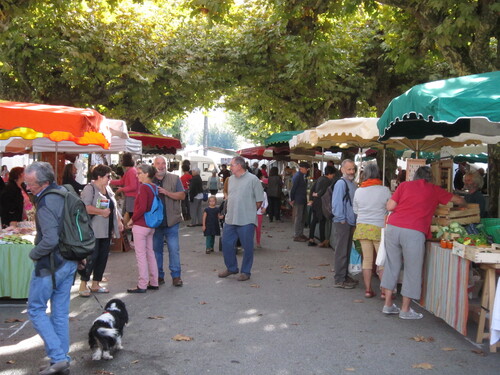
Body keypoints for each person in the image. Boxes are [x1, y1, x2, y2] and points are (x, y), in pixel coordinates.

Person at [381, 166, 466, 319]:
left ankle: (388, 305)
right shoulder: (434, 189)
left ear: (415, 176)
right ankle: (405, 310)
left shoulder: (404, 185)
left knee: (391, 264)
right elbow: (458, 199)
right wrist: (465, 203)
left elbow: (390, 206)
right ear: (430, 178)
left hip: (393, 228)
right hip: (414, 230)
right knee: (412, 269)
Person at [24, 162, 77, 375]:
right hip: (70, 260)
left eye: (31, 184)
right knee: (60, 313)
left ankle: (57, 356)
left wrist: (33, 254)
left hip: (51, 264)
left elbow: (49, 240)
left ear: (44, 182)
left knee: (36, 309)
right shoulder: (65, 192)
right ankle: (61, 359)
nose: (28, 188)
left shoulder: (45, 202)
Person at [78, 165, 123, 297]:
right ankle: (83, 284)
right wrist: (101, 212)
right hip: (94, 229)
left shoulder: (107, 188)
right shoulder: (89, 189)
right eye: (108, 176)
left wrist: (119, 221)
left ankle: (96, 283)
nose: (110, 179)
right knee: (92, 257)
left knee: (103, 257)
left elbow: (113, 206)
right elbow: (85, 207)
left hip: (107, 229)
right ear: (99, 177)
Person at [218, 156, 264, 281]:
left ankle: (246, 271)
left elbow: (260, 200)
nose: (230, 167)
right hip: (230, 219)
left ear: (239, 165)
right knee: (226, 244)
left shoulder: (253, 179)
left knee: (247, 247)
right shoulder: (230, 179)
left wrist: (249, 211)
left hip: (246, 220)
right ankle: (231, 268)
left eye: (232, 165)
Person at [352, 163, 391, 298]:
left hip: (362, 227)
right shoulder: (384, 190)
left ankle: (368, 290)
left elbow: (355, 210)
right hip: (379, 227)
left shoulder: (359, 191)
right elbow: (389, 208)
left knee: (367, 260)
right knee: (381, 260)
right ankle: (384, 291)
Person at [152, 156, 186, 287]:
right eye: (158, 163)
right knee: (156, 250)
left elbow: (182, 195)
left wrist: (167, 193)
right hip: (155, 222)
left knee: (173, 249)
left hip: (172, 220)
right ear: (154, 165)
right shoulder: (149, 180)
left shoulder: (174, 178)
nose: (161, 166)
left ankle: (176, 276)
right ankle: (158, 276)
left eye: (163, 163)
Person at [126, 164, 159, 293]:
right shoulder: (154, 187)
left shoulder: (144, 187)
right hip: (151, 224)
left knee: (141, 255)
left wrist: (132, 219)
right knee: (150, 253)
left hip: (141, 224)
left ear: (146, 174)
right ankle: (154, 281)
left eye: (139, 173)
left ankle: (142, 284)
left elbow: (142, 207)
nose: (137, 175)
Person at [332, 159, 358, 289]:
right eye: (349, 169)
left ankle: (344, 275)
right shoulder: (340, 183)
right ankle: (339, 278)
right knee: (341, 251)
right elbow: (336, 203)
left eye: (353, 169)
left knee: (346, 250)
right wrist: (341, 218)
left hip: (349, 221)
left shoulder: (352, 183)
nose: (352, 171)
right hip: (343, 222)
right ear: (342, 170)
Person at [308, 165, 336, 248]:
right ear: (330, 174)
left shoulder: (320, 178)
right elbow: (323, 191)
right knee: (322, 221)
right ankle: (322, 241)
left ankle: (311, 238)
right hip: (322, 203)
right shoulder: (328, 181)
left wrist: (312, 198)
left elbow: (312, 189)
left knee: (314, 220)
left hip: (315, 202)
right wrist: (318, 194)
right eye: (333, 174)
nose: (333, 176)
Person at [110, 152, 139, 225]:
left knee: (130, 215)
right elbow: (122, 181)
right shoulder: (129, 171)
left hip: (132, 197)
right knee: (128, 215)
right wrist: (110, 181)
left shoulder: (131, 171)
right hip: (130, 197)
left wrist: (122, 189)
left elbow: (133, 187)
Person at [290, 161, 309, 242]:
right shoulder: (297, 176)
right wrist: (292, 199)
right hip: (298, 199)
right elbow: (293, 188)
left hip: (303, 199)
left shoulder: (302, 176)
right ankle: (296, 235)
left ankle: (300, 233)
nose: (307, 170)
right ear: (302, 168)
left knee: (302, 217)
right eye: (306, 169)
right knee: (298, 217)